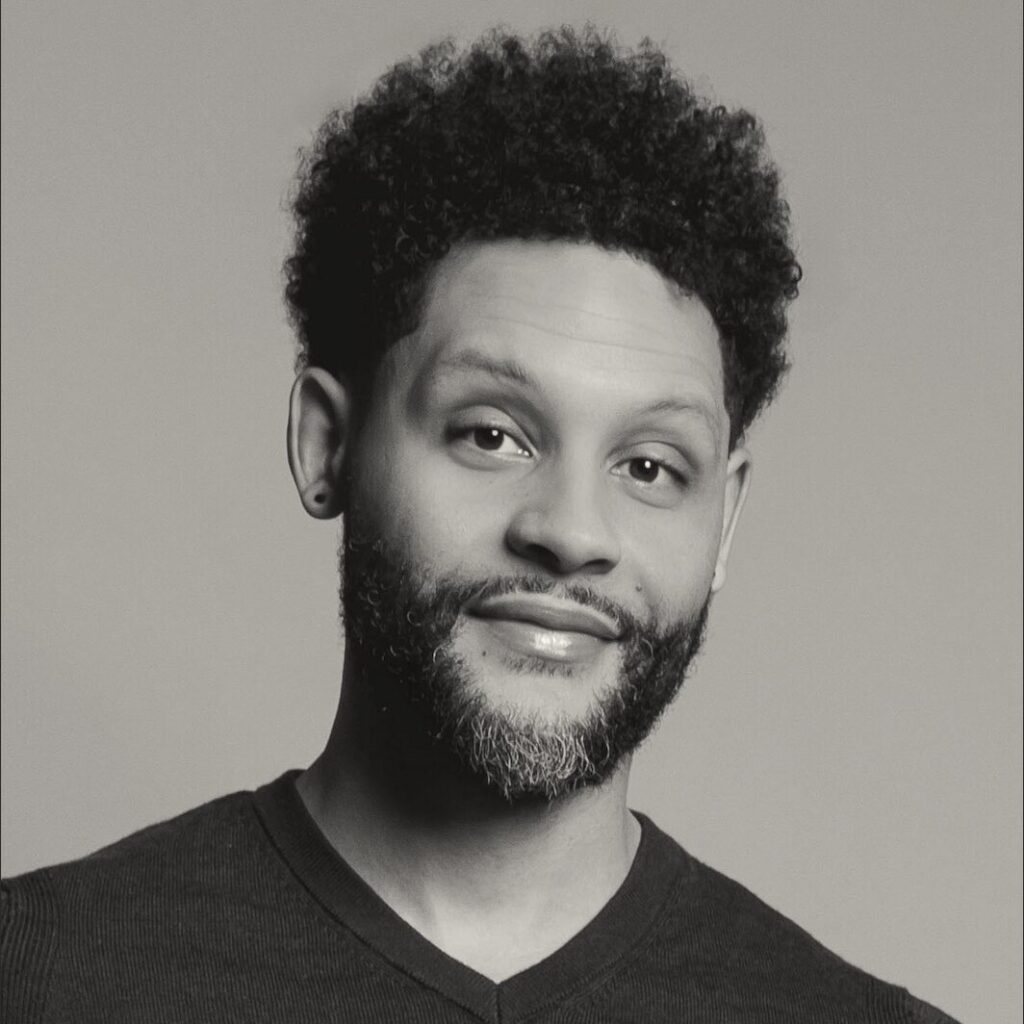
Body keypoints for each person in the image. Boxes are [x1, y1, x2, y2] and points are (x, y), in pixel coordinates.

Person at [1, 27, 958, 1023]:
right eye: (492, 434)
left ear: (724, 520)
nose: (571, 530)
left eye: (649, 465)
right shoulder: (38, 976)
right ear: (328, 443)